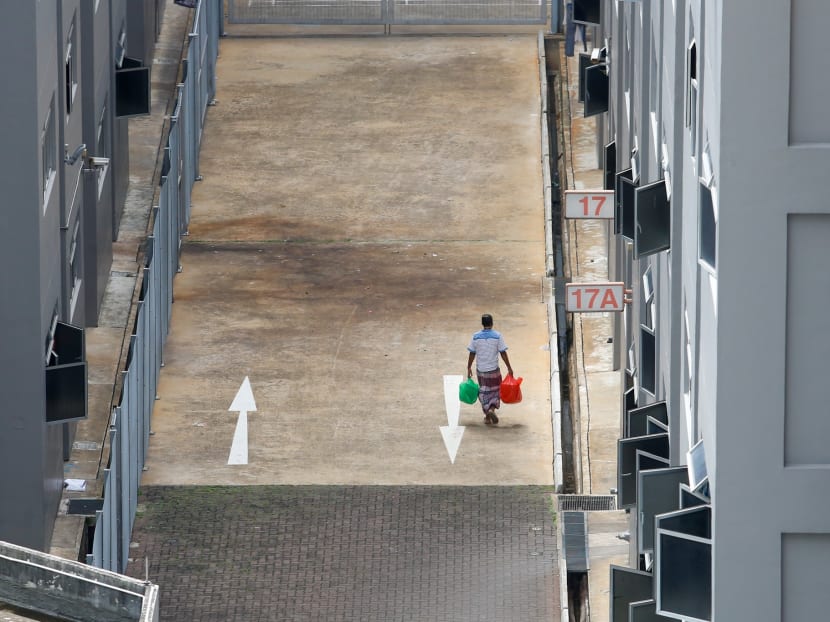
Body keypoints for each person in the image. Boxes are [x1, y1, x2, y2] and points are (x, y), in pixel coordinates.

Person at [466, 314, 514, 425]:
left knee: (483, 392)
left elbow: (472, 353)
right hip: (494, 371)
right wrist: (509, 367)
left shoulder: (475, 336)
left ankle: (487, 415)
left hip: (481, 371)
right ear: (492, 323)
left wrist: (468, 367)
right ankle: (491, 410)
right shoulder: (497, 336)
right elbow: (503, 353)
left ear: (482, 324)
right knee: (496, 392)